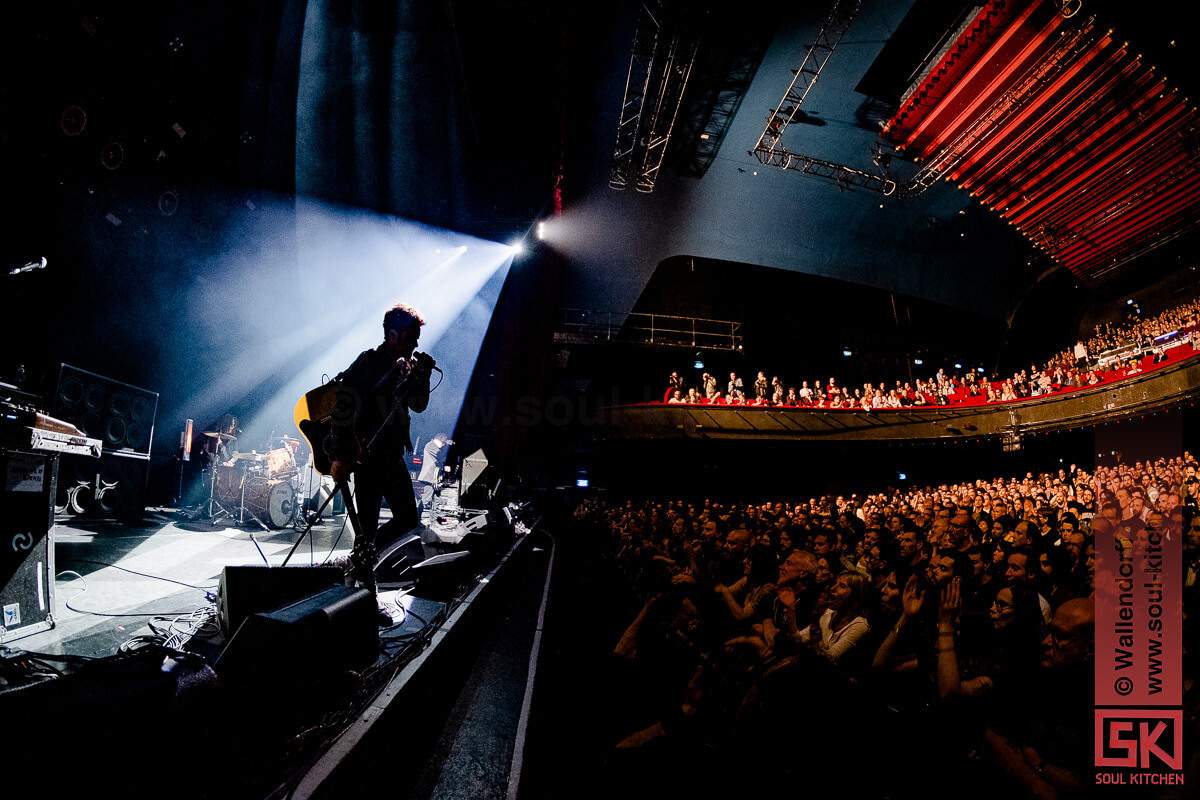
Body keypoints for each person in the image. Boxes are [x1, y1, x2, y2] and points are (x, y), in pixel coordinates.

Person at [329, 303, 434, 598]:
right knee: (367, 529)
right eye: (411, 336)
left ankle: (360, 565)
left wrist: (422, 374)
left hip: (391, 455)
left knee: (406, 519)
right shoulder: (369, 363)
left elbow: (418, 404)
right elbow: (342, 404)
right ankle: (362, 595)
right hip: (366, 457)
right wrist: (338, 454)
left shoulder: (407, 366)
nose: (415, 343)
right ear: (393, 335)